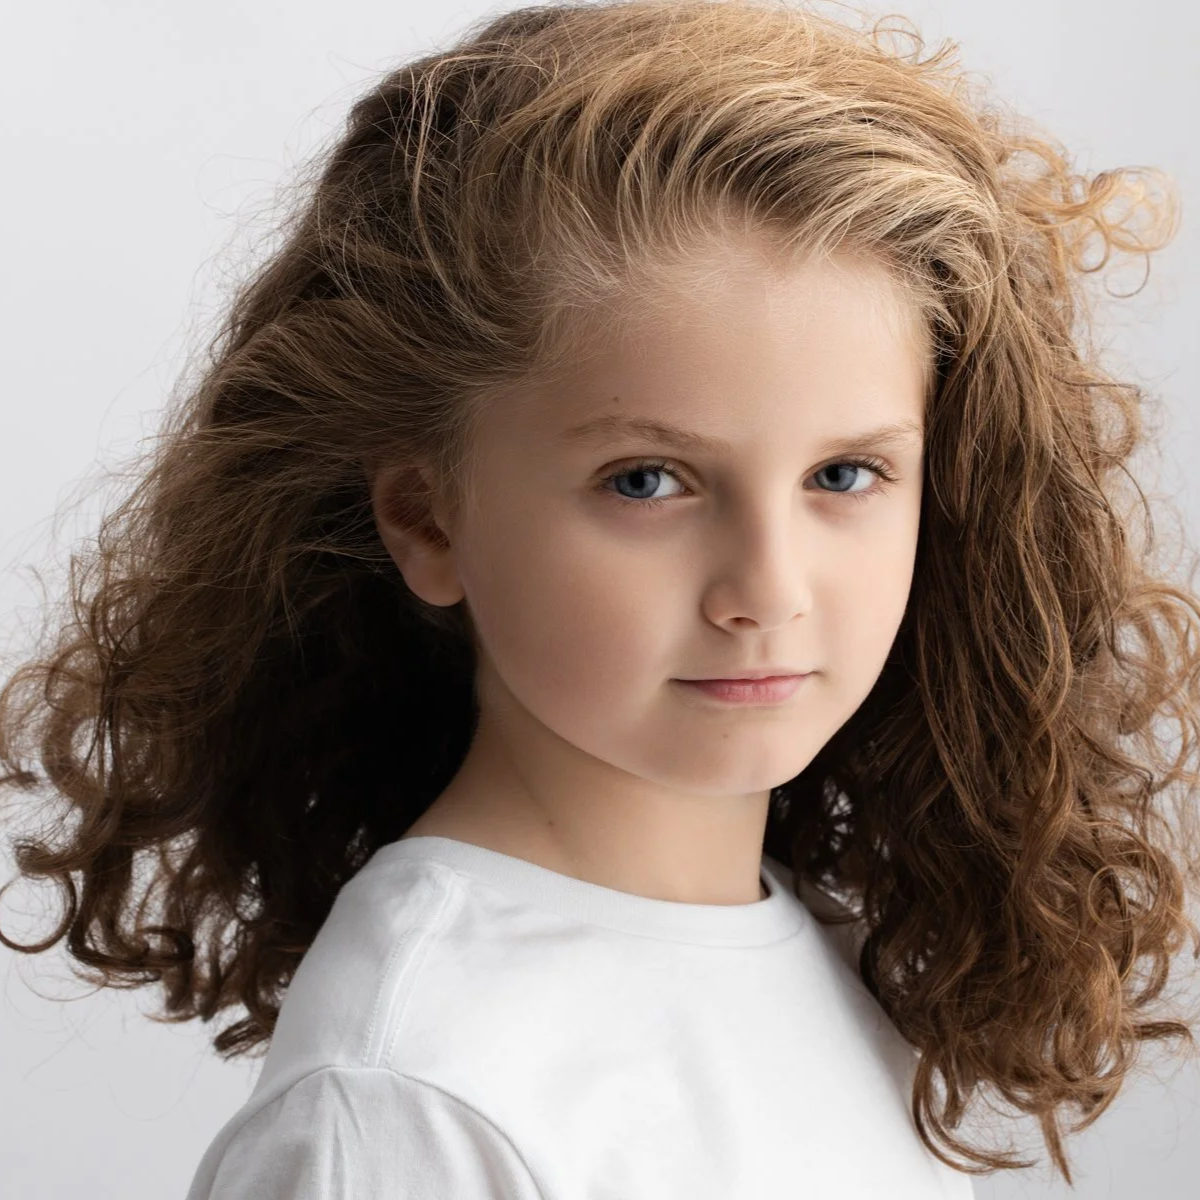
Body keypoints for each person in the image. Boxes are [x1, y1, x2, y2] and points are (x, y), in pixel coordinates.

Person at [1, 0, 1197, 1195]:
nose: (766, 591)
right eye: (648, 481)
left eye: (845, 474)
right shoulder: (407, 1106)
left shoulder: (826, 949)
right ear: (427, 516)